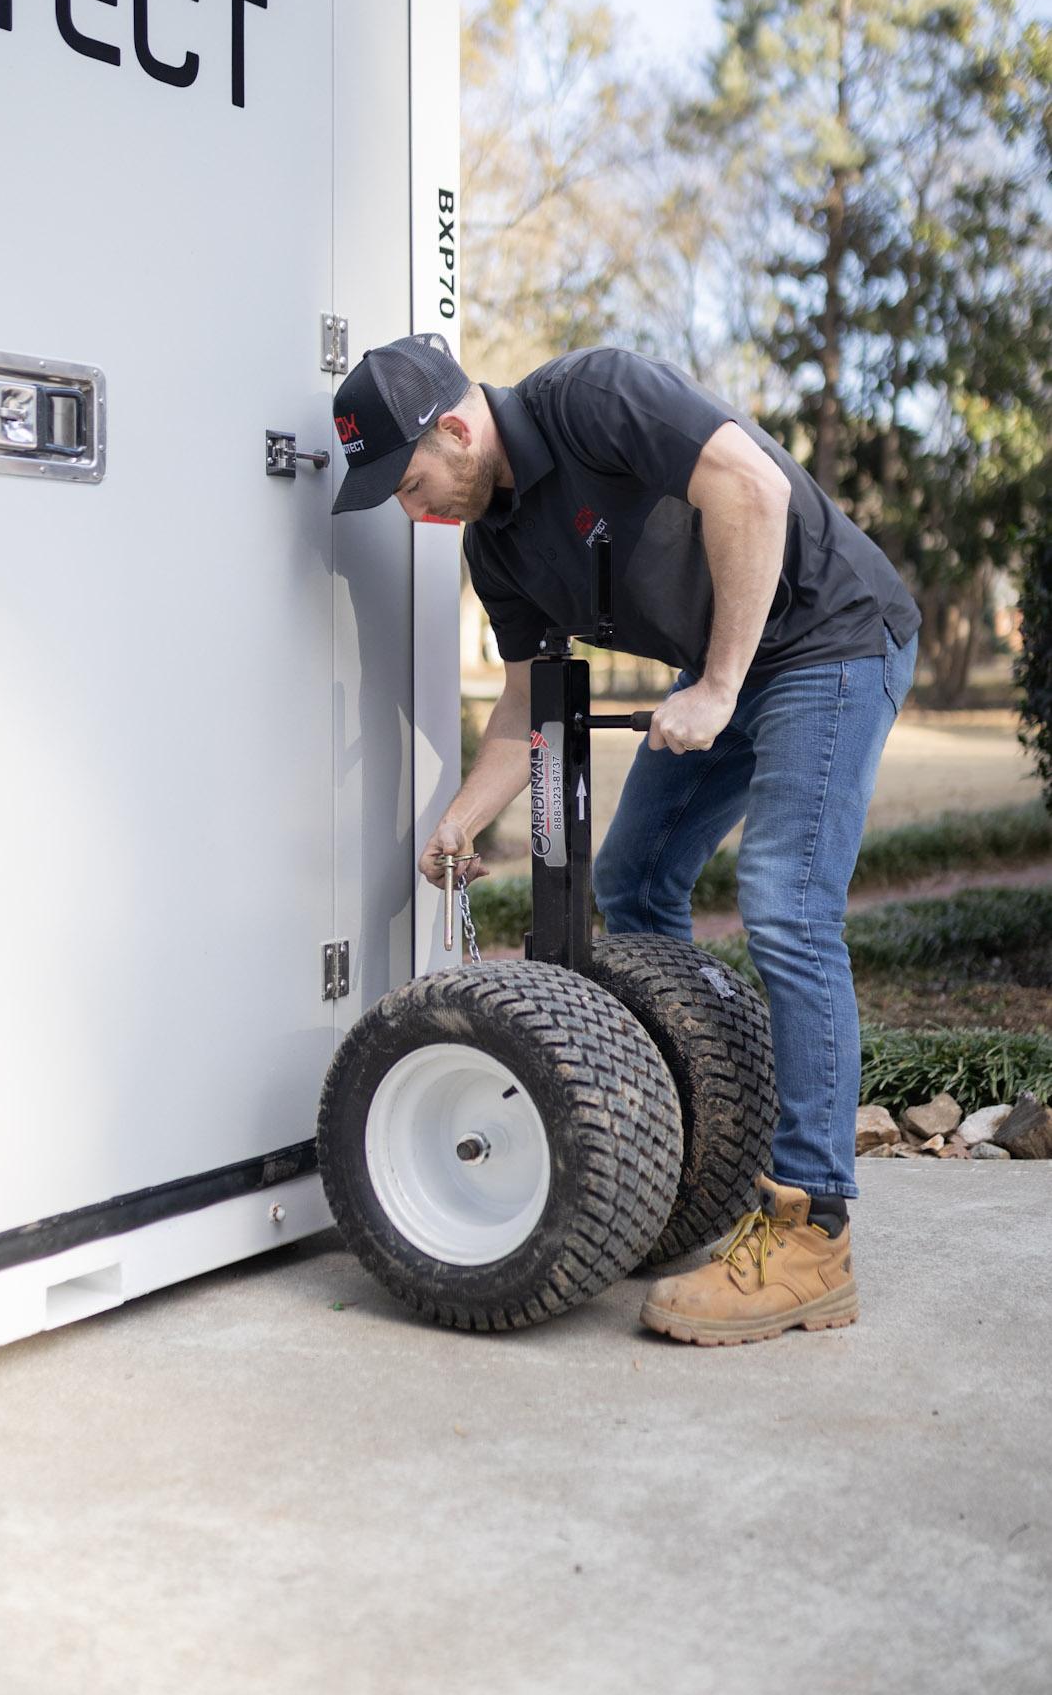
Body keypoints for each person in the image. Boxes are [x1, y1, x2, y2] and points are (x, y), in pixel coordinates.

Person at [330, 332, 920, 1347]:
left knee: (785, 905)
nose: (409, 508)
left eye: (408, 482)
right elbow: (526, 702)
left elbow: (752, 488)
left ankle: (813, 1231)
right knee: (634, 878)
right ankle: (692, 1130)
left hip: (830, 636)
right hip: (728, 662)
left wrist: (719, 687)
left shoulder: (595, 396)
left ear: (456, 430)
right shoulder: (497, 543)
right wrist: (461, 820)